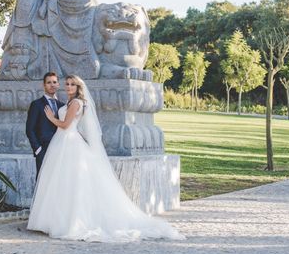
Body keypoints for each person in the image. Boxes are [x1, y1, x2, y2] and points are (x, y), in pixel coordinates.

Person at [27, 75, 184, 242]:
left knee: (71, 183)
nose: (68, 87)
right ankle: (53, 219)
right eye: (67, 84)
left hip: (69, 141)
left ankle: (70, 222)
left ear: (79, 87)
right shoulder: (67, 102)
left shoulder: (76, 103)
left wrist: (52, 118)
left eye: (72, 84)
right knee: (61, 182)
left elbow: (66, 125)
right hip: (62, 143)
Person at [25, 72, 66, 175]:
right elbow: (30, 129)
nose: (52, 85)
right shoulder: (37, 104)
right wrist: (38, 150)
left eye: (54, 82)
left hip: (61, 149)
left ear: (58, 84)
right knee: (43, 181)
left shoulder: (63, 106)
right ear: (44, 85)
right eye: (49, 82)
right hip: (43, 150)